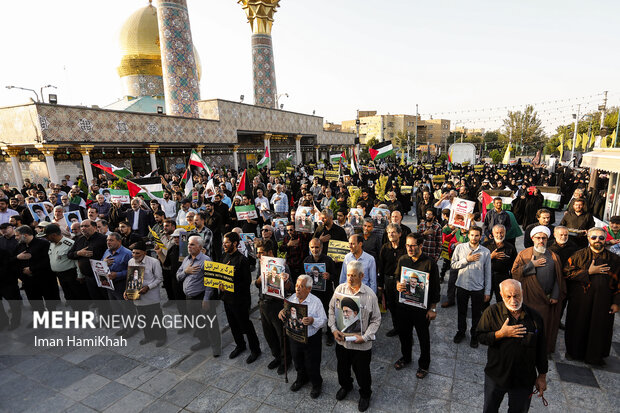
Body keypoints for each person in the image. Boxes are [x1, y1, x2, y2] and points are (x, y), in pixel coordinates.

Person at [477, 279, 548, 413]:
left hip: (524, 380)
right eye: (508, 296)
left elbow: (541, 348)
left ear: (522, 292)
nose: (513, 300)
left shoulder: (535, 317)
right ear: (501, 295)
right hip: (496, 376)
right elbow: (480, 336)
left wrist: (542, 376)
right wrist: (500, 334)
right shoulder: (492, 312)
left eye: (516, 295)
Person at [329, 260, 381, 412]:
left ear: (362, 276)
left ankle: (365, 394)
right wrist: (333, 329)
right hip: (342, 342)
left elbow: (376, 320)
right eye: (348, 275)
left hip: (362, 344)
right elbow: (332, 310)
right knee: (342, 369)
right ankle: (346, 386)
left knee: (363, 373)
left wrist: (365, 337)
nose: (350, 279)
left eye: (353, 276)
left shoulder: (370, 295)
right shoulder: (340, 290)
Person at [564, 227, 620, 365]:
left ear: (605, 240)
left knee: (599, 327)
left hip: (603, 302)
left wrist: (616, 303)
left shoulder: (615, 259)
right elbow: (566, 273)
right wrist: (588, 272)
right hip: (580, 300)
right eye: (594, 237)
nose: (597, 240)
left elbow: (619, 283)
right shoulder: (578, 255)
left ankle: (595, 356)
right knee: (578, 325)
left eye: (601, 238)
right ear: (588, 238)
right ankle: (574, 353)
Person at [511, 225, 565, 355]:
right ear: (532, 239)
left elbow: (559, 278)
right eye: (538, 238)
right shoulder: (524, 254)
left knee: (543, 325)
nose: (541, 240)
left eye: (544, 238)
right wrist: (531, 265)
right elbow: (514, 273)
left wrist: (555, 295)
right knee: (526, 324)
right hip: (528, 298)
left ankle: (541, 349)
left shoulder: (553, 256)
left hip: (545, 300)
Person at [393, 233, 440, 378]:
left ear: (421, 245)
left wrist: (432, 308)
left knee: (423, 338)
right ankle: (406, 357)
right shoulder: (403, 259)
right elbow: (396, 277)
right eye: (407, 245)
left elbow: (435, 288)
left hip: (421, 309)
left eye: (413, 245)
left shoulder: (429, 263)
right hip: (404, 306)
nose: (410, 248)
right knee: (404, 335)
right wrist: (398, 285)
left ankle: (424, 364)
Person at [279, 274, 327, 399]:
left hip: (311, 339)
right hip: (294, 337)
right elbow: (285, 312)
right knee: (297, 361)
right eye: (296, 286)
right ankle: (301, 379)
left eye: (301, 286)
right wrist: (281, 313)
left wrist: (312, 320)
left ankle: (316, 384)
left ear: (309, 289)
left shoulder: (316, 302)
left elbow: (324, 320)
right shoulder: (291, 299)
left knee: (312, 364)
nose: (297, 289)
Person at [220, 231, 262, 363]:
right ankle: (240, 345)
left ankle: (255, 349)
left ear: (235, 243)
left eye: (227, 242)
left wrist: (230, 285)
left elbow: (245, 284)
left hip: (240, 300)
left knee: (246, 326)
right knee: (233, 325)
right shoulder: (224, 257)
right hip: (227, 299)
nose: (224, 245)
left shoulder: (242, 260)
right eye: (223, 242)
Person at [176, 235, 220, 354]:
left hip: (201, 297)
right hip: (189, 298)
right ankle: (203, 340)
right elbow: (178, 275)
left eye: (192, 244)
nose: (189, 246)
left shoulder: (206, 260)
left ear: (200, 247)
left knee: (210, 322)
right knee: (197, 321)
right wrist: (186, 271)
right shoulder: (186, 259)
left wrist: (206, 299)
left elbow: (210, 282)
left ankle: (216, 346)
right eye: (189, 244)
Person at [254, 239, 292, 374]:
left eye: (261, 253)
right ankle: (276, 356)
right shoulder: (261, 264)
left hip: (278, 305)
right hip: (263, 303)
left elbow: (289, 288)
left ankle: (285, 360)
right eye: (258, 253)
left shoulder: (283, 266)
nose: (259, 256)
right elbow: (257, 283)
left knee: (281, 335)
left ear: (270, 252)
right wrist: (262, 276)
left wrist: (284, 279)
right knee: (269, 334)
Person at [451, 226, 492, 348]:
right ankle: (461, 331)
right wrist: (466, 260)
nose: (474, 238)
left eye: (477, 235)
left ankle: (474, 334)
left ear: (481, 236)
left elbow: (488, 273)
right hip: (462, 285)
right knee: (461, 311)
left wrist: (487, 291)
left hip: (478, 288)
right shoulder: (460, 248)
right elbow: (453, 265)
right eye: (472, 235)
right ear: (468, 235)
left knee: (476, 314)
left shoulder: (485, 252)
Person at [125, 241, 167, 347]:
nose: (134, 256)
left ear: (144, 253)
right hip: (137, 296)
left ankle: (161, 337)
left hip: (151, 296)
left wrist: (148, 287)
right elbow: (130, 278)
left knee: (155, 317)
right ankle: (148, 336)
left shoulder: (153, 262)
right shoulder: (131, 261)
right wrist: (127, 291)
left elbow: (159, 278)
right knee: (143, 317)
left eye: (137, 253)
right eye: (133, 253)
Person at [15, 225, 59, 312]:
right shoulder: (20, 246)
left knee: (50, 301)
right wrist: (18, 258)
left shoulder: (44, 244)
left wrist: (32, 269)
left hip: (45, 279)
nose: (16, 238)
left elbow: (48, 260)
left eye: (17, 235)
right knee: (35, 302)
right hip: (29, 281)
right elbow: (15, 260)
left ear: (25, 235)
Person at [44, 224, 89, 308]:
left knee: (78, 297)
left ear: (53, 235)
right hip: (60, 275)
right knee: (69, 296)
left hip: (71, 274)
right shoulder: (52, 243)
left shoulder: (69, 244)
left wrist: (80, 275)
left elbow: (76, 260)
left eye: (47, 236)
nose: (46, 238)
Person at [304, 238, 337, 346]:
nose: (315, 249)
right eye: (312, 247)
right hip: (312, 292)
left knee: (328, 312)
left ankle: (330, 334)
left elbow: (335, 275)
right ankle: (316, 330)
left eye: (317, 247)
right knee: (314, 311)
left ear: (321, 248)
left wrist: (329, 276)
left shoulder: (328, 260)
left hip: (326, 292)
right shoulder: (307, 261)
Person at [379, 223, 406, 337]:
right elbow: (381, 266)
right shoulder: (385, 248)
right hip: (388, 280)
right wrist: (380, 284)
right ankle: (396, 328)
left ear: (399, 234)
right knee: (391, 305)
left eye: (393, 232)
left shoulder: (405, 248)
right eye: (389, 232)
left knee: (403, 307)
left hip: (401, 281)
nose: (391, 234)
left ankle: (405, 330)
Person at [482, 224, 517, 303]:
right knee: (484, 301)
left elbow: (514, 265)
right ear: (493, 233)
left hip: (503, 277)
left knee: (502, 301)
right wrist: (490, 257)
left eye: (501, 232)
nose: (499, 235)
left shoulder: (510, 247)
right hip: (487, 277)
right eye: (497, 233)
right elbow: (478, 262)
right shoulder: (485, 245)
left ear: (505, 233)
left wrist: (512, 281)